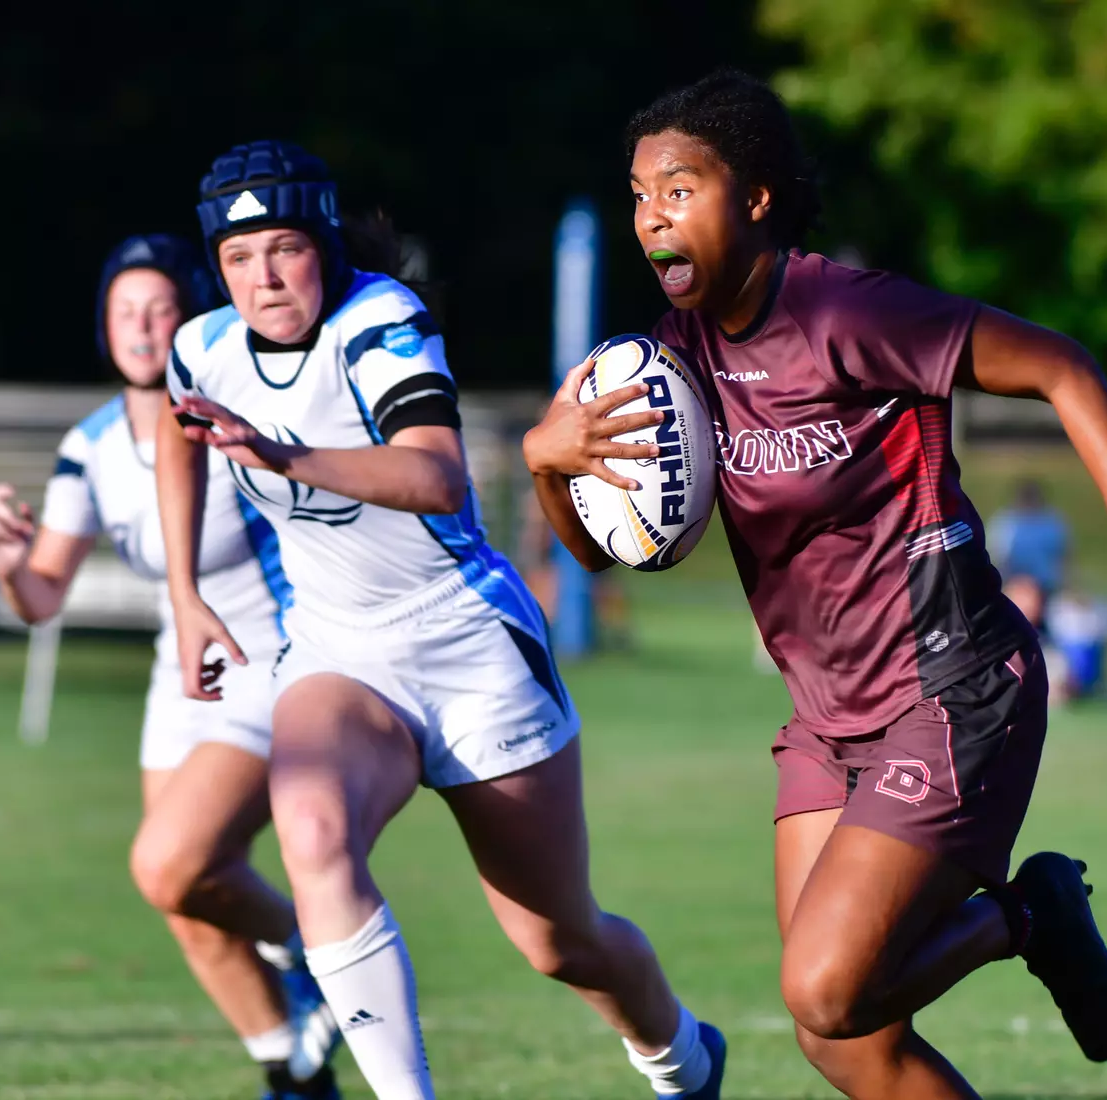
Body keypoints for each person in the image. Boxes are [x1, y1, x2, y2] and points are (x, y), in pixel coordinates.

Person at [523, 71, 1107, 1100]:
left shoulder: (840, 311)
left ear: (758, 196)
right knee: (844, 1035)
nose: (653, 218)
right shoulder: (662, 365)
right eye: (641, 196)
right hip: (827, 721)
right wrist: (549, 463)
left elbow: (1061, 365)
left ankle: (1022, 915)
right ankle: (1027, 915)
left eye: (680, 189)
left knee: (824, 989)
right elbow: (601, 555)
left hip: (953, 694)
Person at [158, 140, 724, 1100]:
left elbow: (434, 473)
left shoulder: (379, 318)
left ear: (323, 243)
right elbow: (182, 431)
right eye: (238, 259)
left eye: (283, 248)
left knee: (559, 940)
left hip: (467, 645)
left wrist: (282, 455)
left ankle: (683, 1059)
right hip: (340, 653)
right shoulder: (201, 346)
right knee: (311, 830)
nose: (263, 277)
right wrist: (185, 595)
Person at [0, 234, 340, 1100]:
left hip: (275, 662)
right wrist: (7, 565)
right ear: (105, 327)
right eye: (124, 311)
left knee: (169, 862)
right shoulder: (89, 444)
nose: (142, 327)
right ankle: (292, 1072)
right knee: (187, 898)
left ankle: (326, 955)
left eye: (160, 308)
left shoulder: (230, 412)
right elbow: (43, 597)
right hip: (182, 679)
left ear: (192, 319)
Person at [988, 478, 1071, 600]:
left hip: (1046, 587)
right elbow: (998, 560)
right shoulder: (1005, 522)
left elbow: (1064, 558)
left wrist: (1066, 586)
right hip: (1012, 585)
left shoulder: (1053, 522)